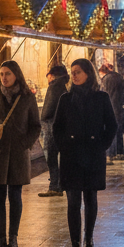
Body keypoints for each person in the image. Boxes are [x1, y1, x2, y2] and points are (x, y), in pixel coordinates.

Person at [53, 57, 118, 247]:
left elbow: (112, 125)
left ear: (88, 73)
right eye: (72, 72)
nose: (74, 75)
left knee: (90, 198)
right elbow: (57, 127)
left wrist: (102, 145)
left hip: (92, 154)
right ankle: (75, 246)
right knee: (73, 202)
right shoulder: (66, 98)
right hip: (71, 156)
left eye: (78, 71)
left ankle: (88, 238)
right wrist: (63, 145)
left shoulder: (101, 98)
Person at [0, 60, 41, 247]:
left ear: (16, 75)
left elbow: (35, 126)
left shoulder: (27, 97)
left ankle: (13, 237)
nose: (4, 78)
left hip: (18, 155)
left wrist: (25, 144)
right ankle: (0, 238)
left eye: (8, 74)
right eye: (2, 74)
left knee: (15, 197)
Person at [38, 65, 69, 197]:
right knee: (60, 158)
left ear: (52, 75)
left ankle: (54, 186)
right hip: (62, 127)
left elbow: (47, 110)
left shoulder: (53, 87)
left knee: (51, 157)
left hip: (51, 127)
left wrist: (42, 119)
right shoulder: (63, 86)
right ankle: (61, 184)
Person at [99, 63, 124, 162]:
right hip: (119, 107)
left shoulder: (105, 79)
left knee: (110, 131)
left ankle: (110, 155)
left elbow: (102, 94)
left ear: (103, 72)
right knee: (118, 130)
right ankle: (120, 153)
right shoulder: (119, 77)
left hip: (110, 108)